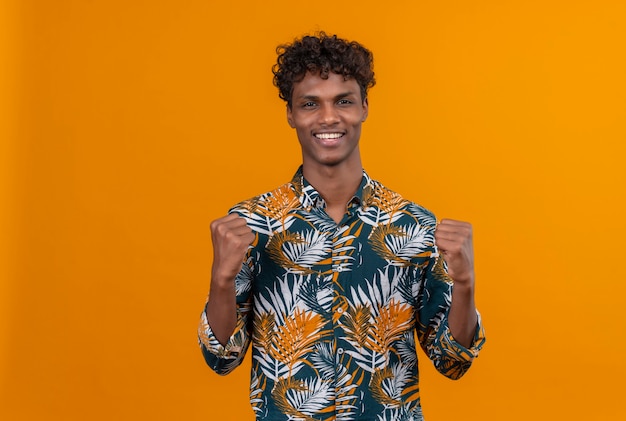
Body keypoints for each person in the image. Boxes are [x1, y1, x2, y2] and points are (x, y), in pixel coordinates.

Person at [198, 32, 486, 420]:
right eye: (310, 104)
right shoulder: (252, 224)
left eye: (344, 101)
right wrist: (221, 279)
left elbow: (453, 360)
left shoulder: (414, 226)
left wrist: (465, 285)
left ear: (365, 107)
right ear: (290, 114)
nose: (329, 118)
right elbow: (222, 358)